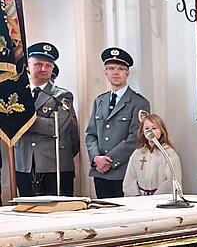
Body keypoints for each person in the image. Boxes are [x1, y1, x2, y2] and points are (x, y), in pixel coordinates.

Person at [13, 42, 80, 196]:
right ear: (28, 66)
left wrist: (22, 117)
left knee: (60, 215)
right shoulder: (17, 95)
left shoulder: (62, 96)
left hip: (54, 165)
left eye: (48, 65)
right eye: (38, 64)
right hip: (24, 164)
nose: (43, 69)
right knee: (29, 214)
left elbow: (55, 127)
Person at [85, 47, 151, 199]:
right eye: (111, 68)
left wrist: (109, 161)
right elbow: (91, 134)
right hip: (100, 171)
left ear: (127, 73)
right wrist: (96, 158)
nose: (116, 72)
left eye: (121, 68)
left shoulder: (139, 102)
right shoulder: (99, 101)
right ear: (105, 73)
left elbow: (135, 137)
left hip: (123, 170)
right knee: (103, 215)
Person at [122, 113, 182, 197]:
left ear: (161, 130)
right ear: (142, 132)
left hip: (160, 198)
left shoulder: (169, 153)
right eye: (147, 128)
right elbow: (130, 178)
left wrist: (156, 197)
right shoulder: (138, 153)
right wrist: (135, 196)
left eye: (154, 128)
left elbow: (170, 180)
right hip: (140, 199)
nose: (150, 131)